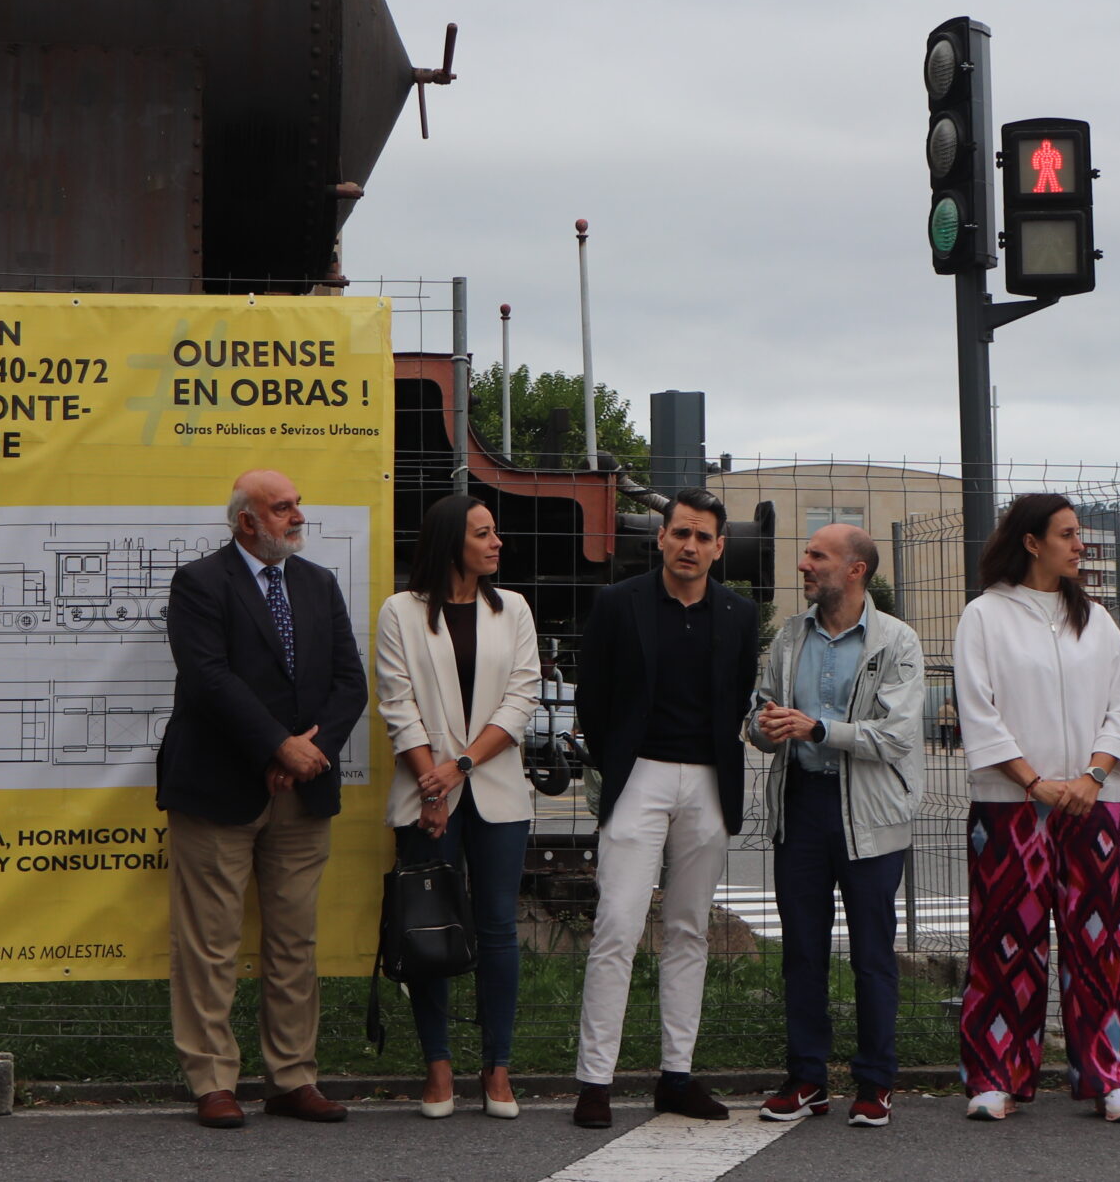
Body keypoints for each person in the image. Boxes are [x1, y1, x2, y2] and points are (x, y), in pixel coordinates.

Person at [156, 469, 367, 1131]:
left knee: (294, 942)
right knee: (210, 944)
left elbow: (349, 682)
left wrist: (307, 753)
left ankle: (292, 1077)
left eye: (297, 504)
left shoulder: (319, 583)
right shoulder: (200, 583)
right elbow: (208, 679)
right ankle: (213, 1080)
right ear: (246, 521)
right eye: (282, 507)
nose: (297, 516)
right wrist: (276, 746)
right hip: (217, 788)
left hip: (303, 794)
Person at [570, 488, 762, 1128]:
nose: (690, 546)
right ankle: (594, 1083)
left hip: (708, 782)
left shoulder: (739, 614)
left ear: (719, 547)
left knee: (688, 929)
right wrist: (618, 762)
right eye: (681, 533)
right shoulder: (618, 604)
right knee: (617, 926)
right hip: (638, 778)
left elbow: (738, 693)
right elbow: (593, 697)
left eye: (703, 537)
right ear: (661, 537)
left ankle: (676, 1076)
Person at [953, 494, 1120, 1124]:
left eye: (1078, 533)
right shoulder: (984, 616)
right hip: (1009, 808)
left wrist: (1093, 776)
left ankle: (1110, 1076)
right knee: (1005, 942)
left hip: (1092, 805)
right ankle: (995, 1077)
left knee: (1099, 944)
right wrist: (1033, 782)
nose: (1079, 544)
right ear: (1031, 542)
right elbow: (978, 710)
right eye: (1066, 534)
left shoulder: (1097, 620)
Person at [747, 524, 926, 1130]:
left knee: (872, 954)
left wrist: (818, 729)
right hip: (800, 805)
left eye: (817, 556)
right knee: (802, 951)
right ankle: (807, 1079)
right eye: (806, 554)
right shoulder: (790, 635)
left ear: (856, 570)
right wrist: (763, 727)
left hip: (869, 811)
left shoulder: (896, 640)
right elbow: (761, 710)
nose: (804, 564)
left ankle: (876, 1083)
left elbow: (896, 735)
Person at [373, 494, 542, 1120]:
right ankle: (438, 1066)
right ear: (451, 543)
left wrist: (459, 768)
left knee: (498, 927)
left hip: (495, 791)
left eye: (495, 532)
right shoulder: (400, 611)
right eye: (483, 533)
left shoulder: (513, 609)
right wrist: (433, 788)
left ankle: (497, 1068)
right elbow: (398, 706)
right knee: (429, 924)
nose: (497, 543)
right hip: (426, 796)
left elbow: (521, 699)